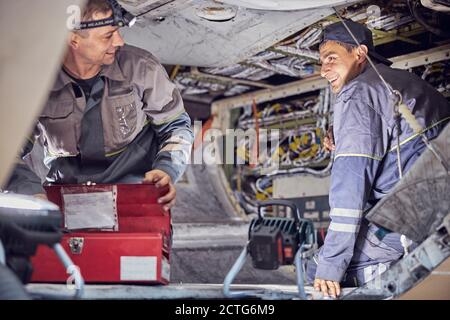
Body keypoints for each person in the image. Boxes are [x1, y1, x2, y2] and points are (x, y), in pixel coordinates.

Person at [6, 0, 193, 211]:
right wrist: (31, 193)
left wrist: (167, 168)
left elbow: (177, 128)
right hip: (66, 199)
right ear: (73, 39)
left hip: (137, 194)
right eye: (107, 36)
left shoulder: (140, 69)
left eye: (117, 31)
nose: (119, 41)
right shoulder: (35, 83)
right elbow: (6, 151)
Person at [308, 20, 450, 298]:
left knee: (316, 270)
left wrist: (330, 266)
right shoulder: (405, 80)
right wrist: (342, 137)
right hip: (439, 203)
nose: (323, 70)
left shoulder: (357, 94)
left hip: (419, 217)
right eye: (321, 61)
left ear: (359, 54)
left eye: (331, 58)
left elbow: (349, 192)